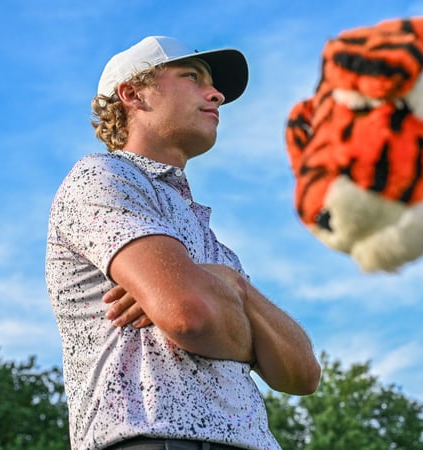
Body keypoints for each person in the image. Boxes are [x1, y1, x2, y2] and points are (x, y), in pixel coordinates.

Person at [46, 36, 321, 450]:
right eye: (192, 77)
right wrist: (247, 333)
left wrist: (230, 284)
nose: (217, 94)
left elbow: (302, 373)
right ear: (133, 93)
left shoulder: (215, 247)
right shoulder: (102, 178)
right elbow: (188, 314)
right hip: (152, 440)